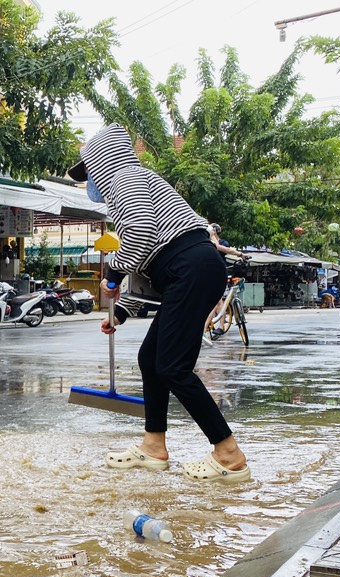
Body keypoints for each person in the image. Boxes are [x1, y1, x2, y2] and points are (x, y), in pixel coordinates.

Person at [70, 124, 250, 481]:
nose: (88, 182)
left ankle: (228, 454)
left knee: (172, 366)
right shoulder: (135, 181)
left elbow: (140, 236)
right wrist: (122, 311)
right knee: (151, 359)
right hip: (188, 269)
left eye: (88, 171)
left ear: (101, 162)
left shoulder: (126, 178)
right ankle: (154, 447)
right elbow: (151, 260)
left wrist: (113, 273)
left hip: (192, 268)